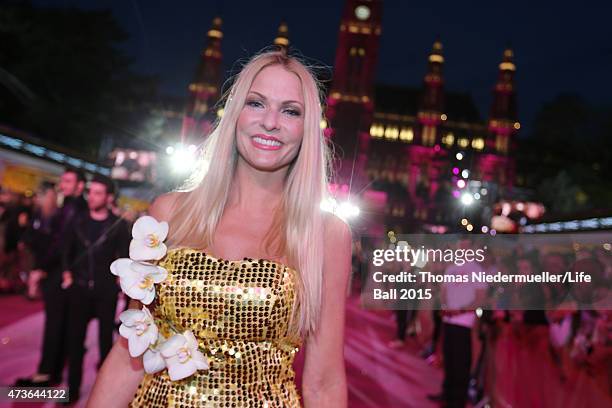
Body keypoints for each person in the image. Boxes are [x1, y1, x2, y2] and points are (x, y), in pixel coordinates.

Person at [88, 50, 352, 407]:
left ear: (308, 128)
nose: (270, 122)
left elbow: (324, 382)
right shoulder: (170, 213)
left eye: (291, 111)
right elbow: (129, 355)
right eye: (256, 103)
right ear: (234, 113)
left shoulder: (326, 235)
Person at [15, 167, 87, 387]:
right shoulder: (69, 206)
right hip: (61, 272)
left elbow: (61, 244)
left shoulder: (75, 208)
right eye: (62, 181)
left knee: (56, 325)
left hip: (63, 274)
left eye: (67, 181)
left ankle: (46, 376)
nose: (62, 185)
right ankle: (50, 374)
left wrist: (41, 269)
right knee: (58, 325)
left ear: (80, 185)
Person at [61, 175, 130, 403]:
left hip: (105, 291)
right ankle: (71, 390)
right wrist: (67, 272)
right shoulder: (77, 220)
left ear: (109, 197)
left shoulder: (118, 226)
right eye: (91, 192)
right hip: (79, 289)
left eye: (98, 193)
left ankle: (104, 394)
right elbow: (66, 250)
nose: (92, 197)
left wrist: (122, 280)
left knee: (105, 344)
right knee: (75, 341)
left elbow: (126, 255)